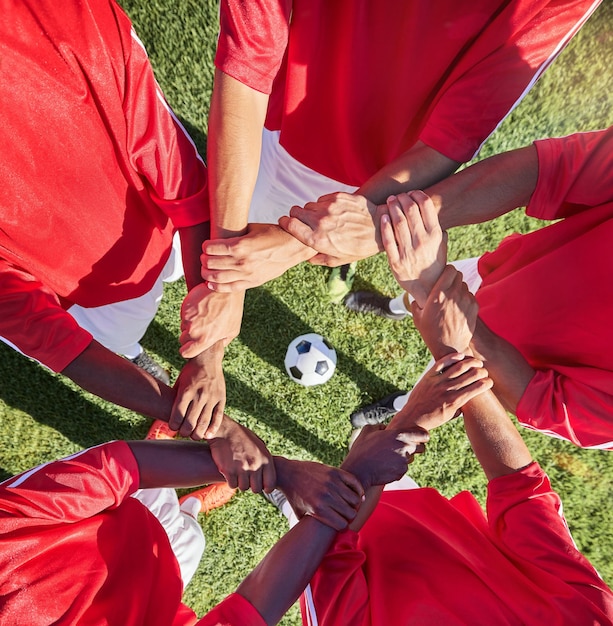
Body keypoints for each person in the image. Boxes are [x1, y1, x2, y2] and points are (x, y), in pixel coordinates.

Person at [179, 0, 602, 363]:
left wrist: (309, 241)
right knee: (245, 228)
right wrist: (226, 278)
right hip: (280, 128)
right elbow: (250, 54)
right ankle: (341, 247)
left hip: (386, 173)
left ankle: (343, 252)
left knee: (346, 228)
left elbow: (453, 136)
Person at [286, 204, 613, 625]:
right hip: (407, 504)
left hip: (339, 526)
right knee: (366, 445)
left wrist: (401, 431)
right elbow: (522, 493)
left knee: (310, 491)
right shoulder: (591, 617)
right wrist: (451, 356)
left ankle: (288, 492)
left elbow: (320, 564)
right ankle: (400, 315)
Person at [0, 0, 223, 440]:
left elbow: (186, 187)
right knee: (115, 344)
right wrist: (181, 391)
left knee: (141, 308)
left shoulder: (73, 17)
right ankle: (135, 357)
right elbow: (51, 337)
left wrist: (207, 354)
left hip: (159, 238)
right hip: (79, 300)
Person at [0, 409, 444, 624]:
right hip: (163, 578)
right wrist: (352, 479)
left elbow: (114, 469)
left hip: (116, 514)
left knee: (151, 486)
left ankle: (186, 470)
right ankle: (196, 503)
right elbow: (246, 612)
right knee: (190, 535)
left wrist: (279, 472)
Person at [342, 127, 613, 450]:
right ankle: (393, 307)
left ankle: (399, 405)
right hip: (500, 272)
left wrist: (447, 308)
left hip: (494, 358)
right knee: (418, 287)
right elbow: (555, 168)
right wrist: (400, 222)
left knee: (432, 390)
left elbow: (541, 402)